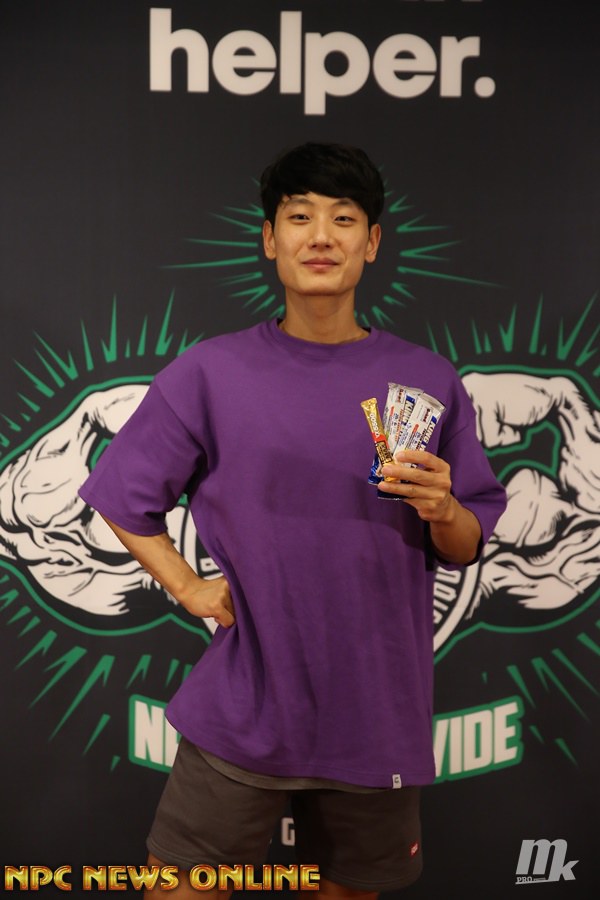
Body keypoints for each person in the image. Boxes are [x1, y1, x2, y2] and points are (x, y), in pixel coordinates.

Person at [79, 143, 506, 897]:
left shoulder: (428, 379)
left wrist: (445, 509)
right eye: (300, 217)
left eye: (343, 219)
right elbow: (121, 495)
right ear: (270, 239)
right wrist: (188, 586)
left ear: (371, 242)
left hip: (378, 710)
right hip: (243, 704)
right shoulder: (211, 372)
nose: (321, 237)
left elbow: (467, 542)